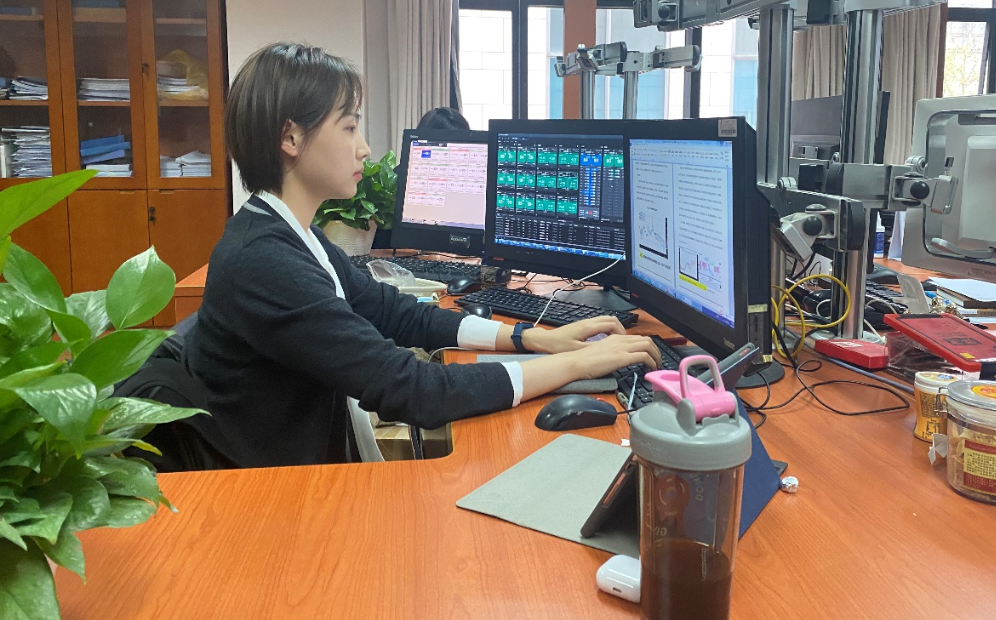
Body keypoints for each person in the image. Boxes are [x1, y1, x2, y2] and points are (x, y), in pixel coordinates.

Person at [184, 42, 659, 468]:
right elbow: (414, 390)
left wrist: (530, 338)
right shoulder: (265, 261)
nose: (364, 148)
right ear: (290, 138)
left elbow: (395, 314)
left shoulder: (293, 234)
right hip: (279, 498)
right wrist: (577, 364)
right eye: (349, 127)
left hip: (309, 468)